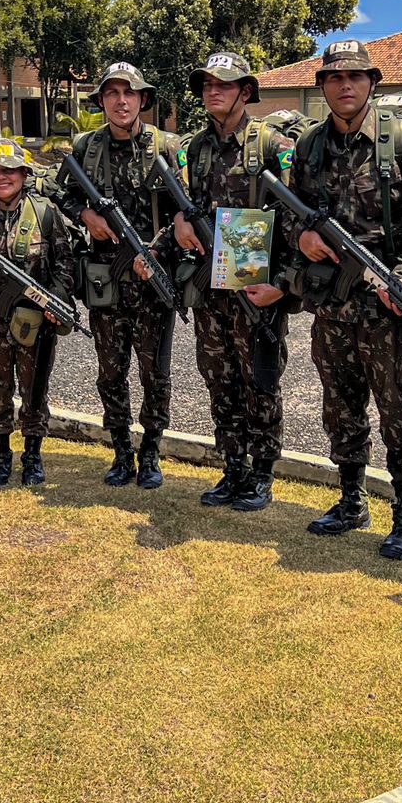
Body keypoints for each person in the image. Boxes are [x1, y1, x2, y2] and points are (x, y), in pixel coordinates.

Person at [285, 39, 402, 559]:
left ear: (373, 82)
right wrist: (301, 238)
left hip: (389, 305)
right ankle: (352, 500)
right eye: (334, 78)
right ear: (324, 86)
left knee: (399, 411)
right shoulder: (309, 146)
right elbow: (291, 211)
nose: (345, 85)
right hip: (333, 303)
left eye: (355, 76)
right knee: (341, 406)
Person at [166, 52, 295, 511]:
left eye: (223, 84)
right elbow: (183, 202)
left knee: (260, 380)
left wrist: (283, 282)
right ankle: (233, 468)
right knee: (218, 380)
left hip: (255, 289)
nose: (212, 91)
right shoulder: (192, 149)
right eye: (206, 85)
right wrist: (181, 219)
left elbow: (297, 217)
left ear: (246, 92)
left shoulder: (273, 144)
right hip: (209, 289)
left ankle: (261, 474)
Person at [54, 61, 182, 489]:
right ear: (102, 101)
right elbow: (60, 196)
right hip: (105, 280)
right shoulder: (86, 147)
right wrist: (85, 214)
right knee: (111, 372)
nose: (121, 101)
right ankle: (121, 451)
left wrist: (158, 250)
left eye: (129, 93)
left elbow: (188, 209)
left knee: (155, 375)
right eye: (112, 94)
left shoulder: (168, 147)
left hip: (152, 279)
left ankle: (150, 452)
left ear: (143, 99)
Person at [0, 139, 78, 486]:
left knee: (34, 392)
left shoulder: (45, 213)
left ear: (23, 175)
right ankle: (1, 456)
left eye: (9, 171)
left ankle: (33, 457)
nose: (1, 178)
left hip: (35, 324)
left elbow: (65, 263)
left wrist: (56, 298)